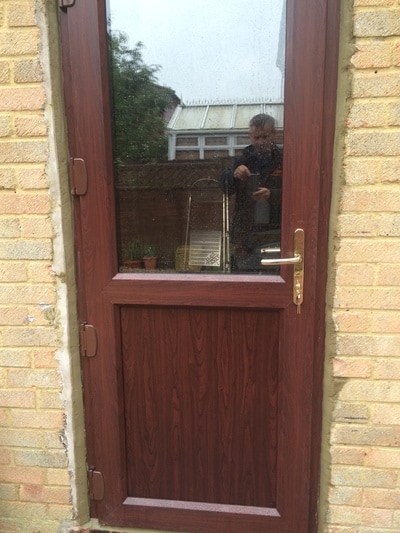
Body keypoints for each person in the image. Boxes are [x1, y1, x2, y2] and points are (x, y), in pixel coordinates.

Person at [219, 113, 283, 270]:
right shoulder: (244, 159)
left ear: (274, 135)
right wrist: (234, 175)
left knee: (274, 274)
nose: (261, 142)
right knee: (244, 276)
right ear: (250, 137)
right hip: (245, 232)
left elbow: (297, 193)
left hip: (275, 230)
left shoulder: (284, 160)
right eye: (256, 138)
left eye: (265, 137)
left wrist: (272, 195)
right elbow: (224, 187)